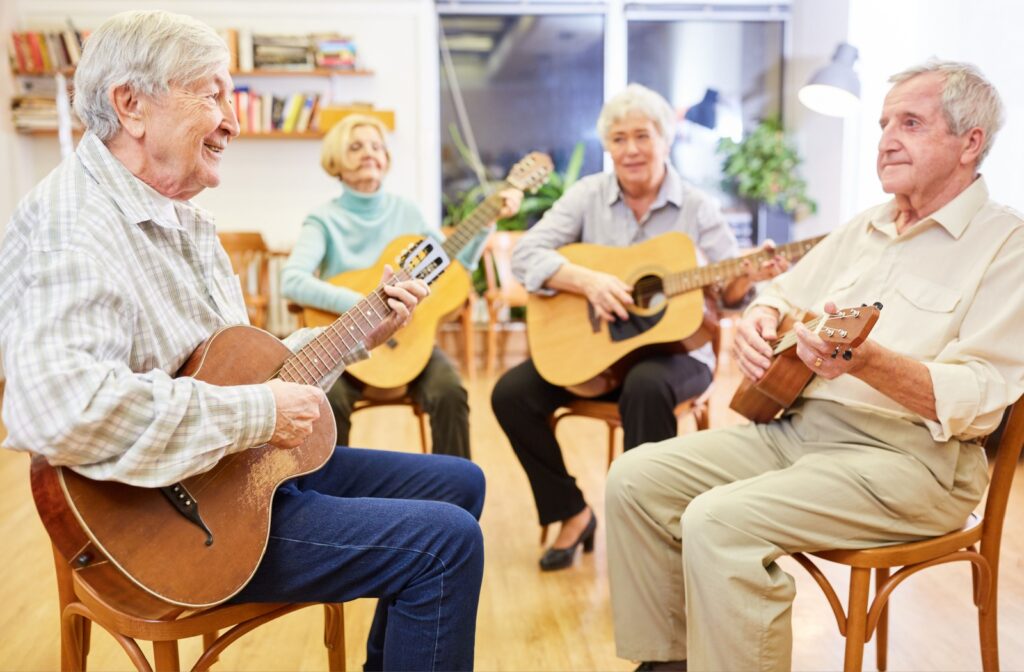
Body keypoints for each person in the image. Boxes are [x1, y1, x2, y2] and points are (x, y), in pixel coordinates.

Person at [0, 11, 485, 671]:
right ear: (131, 106)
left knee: (460, 486)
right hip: (172, 525)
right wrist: (259, 411)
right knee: (446, 543)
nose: (231, 119)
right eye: (213, 93)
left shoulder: (179, 216)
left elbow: (238, 367)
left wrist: (355, 334)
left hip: (237, 477)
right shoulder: (72, 224)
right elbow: (60, 409)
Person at [606, 60, 1024, 671]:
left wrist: (870, 364)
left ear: (970, 143)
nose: (886, 138)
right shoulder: (867, 226)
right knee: (635, 480)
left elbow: (983, 397)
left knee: (719, 523)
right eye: (884, 123)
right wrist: (759, 320)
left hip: (910, 463)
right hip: (795, 432)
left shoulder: (1005, 246)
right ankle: (669, 663)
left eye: (910, 122)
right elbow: (780, 295)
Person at [491, 83, 786, 571]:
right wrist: (586, 281)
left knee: (647, 386)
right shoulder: (586, 196)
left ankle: (647, 537)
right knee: (510, 393)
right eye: (619, 138)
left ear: (665, 140)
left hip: (678, 356)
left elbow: (731, 299)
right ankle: (571, 511)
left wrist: (744, 277)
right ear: (608, 146)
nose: (631, 149)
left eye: (643, 136)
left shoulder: (696, 207)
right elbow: (525, 255)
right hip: (600, 353)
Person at [281, 115, 522, 460]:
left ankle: (453, 503)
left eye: (377, 146)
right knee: (326, 403)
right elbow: (292, 280)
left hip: (406, 341)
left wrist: (488, 221)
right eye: (356, 146)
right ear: (335, 159)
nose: (369, 153)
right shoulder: (324, 219)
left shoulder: (406, 211)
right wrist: (366, 306)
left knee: (450, 391)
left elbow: (451, 267)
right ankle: (332, 502)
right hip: (346, 345)